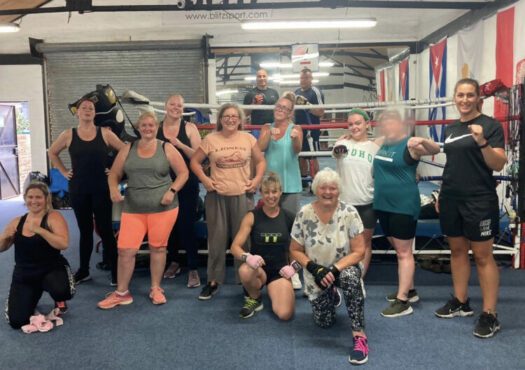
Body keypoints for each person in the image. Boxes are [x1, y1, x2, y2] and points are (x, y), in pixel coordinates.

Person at [434, 78, 507, 338]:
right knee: (456, 250)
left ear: (478, 98)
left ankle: (490, 314)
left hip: (479, 199)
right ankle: (461, 301)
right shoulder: (451, 128)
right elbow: (453, 165)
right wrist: (442, 194)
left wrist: (482, 142)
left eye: (469, 95)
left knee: (483, 256)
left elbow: (498, 164)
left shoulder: (490, 126)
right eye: (460, 95)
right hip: (452, 197)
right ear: (455, 97)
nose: (464, 100)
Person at [97, 112, 189, 309]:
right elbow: (114, 173)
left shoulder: (166, 147)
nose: (148, 128)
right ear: (138, 128)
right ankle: (122, 292)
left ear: (156, 127)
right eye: (144, 125)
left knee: (158, 247)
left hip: (163, 208)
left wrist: (172, 191)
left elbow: (183, 173)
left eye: (151, 125)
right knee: (125, 250)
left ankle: (156, 288)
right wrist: (113, 189)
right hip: (133, 208)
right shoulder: (128, 148)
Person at [289, 168, 369, 365]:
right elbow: (295, 249)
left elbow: (359, 251)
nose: (327, 192)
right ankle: (331, 294)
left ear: (338, 191)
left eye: (332, 188)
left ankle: (359, 336)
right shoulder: (304, 213)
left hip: (341, 269)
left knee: (350, 277)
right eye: (323, 188)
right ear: (316, 190)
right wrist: (315, 269)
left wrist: (333, 270)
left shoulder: (349, 213)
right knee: (324, 323)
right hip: (316, 273)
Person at [190, 103, 266, 300]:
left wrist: (256, 180)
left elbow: (261, 161)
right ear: (220, 119)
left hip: (243, 195)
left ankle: (245, 280)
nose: (230, 119)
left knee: (244, 241)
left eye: (234, 116)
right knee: (216, 239)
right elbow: (194, 162)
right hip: (217, 196)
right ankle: (213, 281)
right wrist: (205, 180)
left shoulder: (248, 138)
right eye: (226, 116)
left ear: (240, 120)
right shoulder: (211, 140)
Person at [48, 97, 125, 286]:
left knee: (106, 230)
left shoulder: (105, 133)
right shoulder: (68, 134)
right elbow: (52, 152)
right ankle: (84, 271)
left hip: (101, 188)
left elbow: (125, 150)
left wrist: (114, 170)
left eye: (91, 108)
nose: (88, 110)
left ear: (95, 113)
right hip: (79, 189)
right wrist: (64, 171)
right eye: (84, 108)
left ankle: (116, 272)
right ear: (78, 112)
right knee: (85, 231)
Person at [373, 110, 440, 317]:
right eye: (384, 123)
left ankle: (403, 301)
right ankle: (409, 290)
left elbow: (435, 148)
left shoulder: (410, 144)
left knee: (404, 253)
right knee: (397, 248)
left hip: (403, 205)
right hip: (383, 204)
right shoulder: (382, 142)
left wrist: (422, 140)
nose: (387, 126)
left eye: (391, 122)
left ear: (400, 124)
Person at [1, 182, 74, 329]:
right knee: (17, 321)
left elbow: (63, 244)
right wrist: (5, 238)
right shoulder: (17, 222)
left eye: (38, 197)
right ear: (25, 199)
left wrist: (41, 231)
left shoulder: (54, 217)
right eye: (30, 197)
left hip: (50, 269)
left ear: (46, 199)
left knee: (61, 290)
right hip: (25, 274)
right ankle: (31, 296)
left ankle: (58, 298)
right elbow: (1, 248)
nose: (34, 201)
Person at [230, 172, 296, 320]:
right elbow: (235, 247)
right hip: (258, 270)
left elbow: (300, 249)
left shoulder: (289, 217)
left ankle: (280, 292)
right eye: (266, 192)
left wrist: (294, 266)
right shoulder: (252, 216)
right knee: (245, 271)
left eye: (274, 191)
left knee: (285, 314)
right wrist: (248, 257)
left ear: (280, 192)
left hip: (280, 272)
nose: (270, 196)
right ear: (261, 193)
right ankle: (254, 296)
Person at [258, 92, 303, 289]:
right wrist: (269, 134)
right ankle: (274, 268)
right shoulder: (266, 128)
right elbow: (258, 149)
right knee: (271, 228)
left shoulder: (296, 128)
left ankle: (292, 271)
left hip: (291, 184)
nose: (280, 110)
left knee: (292, 230)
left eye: (284, 108)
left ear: (290, 112)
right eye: (278, 106)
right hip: (271, 187)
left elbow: (298, 150)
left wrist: (294, 138)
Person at [158, 94, 202, 288]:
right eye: (172, 104)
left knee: (187, 224)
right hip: (161, 184)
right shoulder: (156, 128)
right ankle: (174, 261)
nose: (176, 108)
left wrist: (180, 144)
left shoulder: (189, 128)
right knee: (168, 226)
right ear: (166, 106)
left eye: (180, 105)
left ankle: (193, 267)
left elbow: (199, 156)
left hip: (187, 183)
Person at [332, 108, 379, 277]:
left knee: (365, 243)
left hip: (367, 201)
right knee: (345, 243)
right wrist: (340, 143)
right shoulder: (342, 144)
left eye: (358, 123)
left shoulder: (375, 148)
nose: (354, 127)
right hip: (345, 203)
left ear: (367, 124)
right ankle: (343, 277)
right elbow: (337, 153)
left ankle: (359, 280)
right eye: (350, 124)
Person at [294, 68, 325, 183]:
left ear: (311, 79)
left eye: (306, 77)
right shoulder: (296, 92)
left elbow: (321, 112)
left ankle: (316, 182)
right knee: (300, 155)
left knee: (313, 157)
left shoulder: (316, 92)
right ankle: (304, 181)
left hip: (312, 130)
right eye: (302, 77)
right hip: (298, 129)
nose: (304, 80)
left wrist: (307, 105)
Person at [243, 68, 280, 132]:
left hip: (272, 128)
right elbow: (244, 113)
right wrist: (254, 105)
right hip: (257, 128)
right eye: (259, 76)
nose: (262, 78)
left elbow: (279, 109)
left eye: (264, 76)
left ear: (267, 78)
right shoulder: (250, 94)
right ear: (256, 79)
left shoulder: (274, 92)